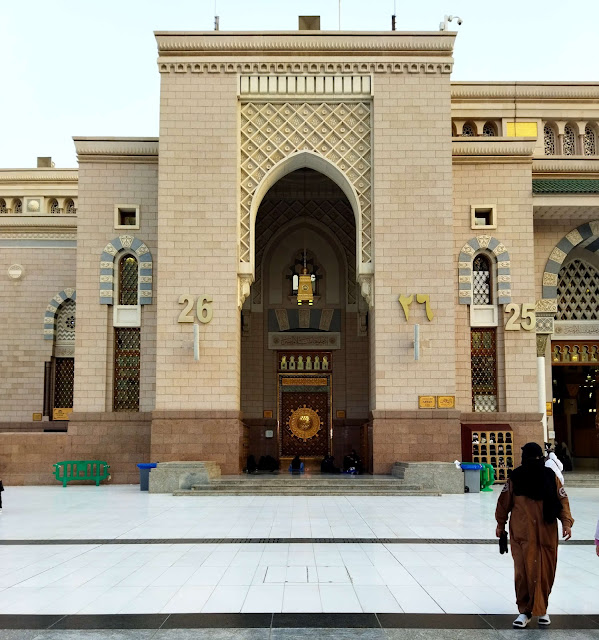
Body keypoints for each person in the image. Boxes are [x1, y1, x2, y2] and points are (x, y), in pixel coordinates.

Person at [496, 442, 574, 628]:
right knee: (523, 573)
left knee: (545, 572)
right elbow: (503, 503)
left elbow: (562, 499)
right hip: (522, 535)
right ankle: (525, 611)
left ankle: (541, 609)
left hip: (546, 535)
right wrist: (500, 524)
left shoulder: (550, 477)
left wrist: (566, 522)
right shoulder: (516, 478)